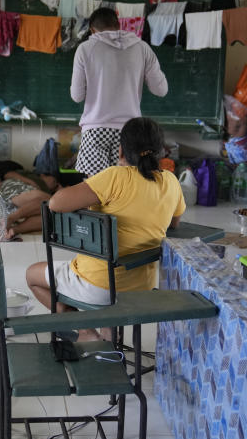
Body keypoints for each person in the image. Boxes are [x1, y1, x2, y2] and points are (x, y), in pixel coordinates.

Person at [25, 117, 185, 341]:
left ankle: (85, 330)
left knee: (32, 274)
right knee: (112, 289)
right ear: (161, 151)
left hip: (98, 285)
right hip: (141, 289)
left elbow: (55, 204)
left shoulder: (114, 177)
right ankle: (108, 347)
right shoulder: (171, 181)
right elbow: (174, 223)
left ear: (121, 150)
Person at [70, 8, 169, 177]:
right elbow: (161, 90)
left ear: (92, 30)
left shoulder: (85, 49)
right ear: (119, 25)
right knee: (127, 189)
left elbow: (77, 96)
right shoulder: (142, 48)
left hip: (95, 131)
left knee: (97, 191)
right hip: (130, 132)